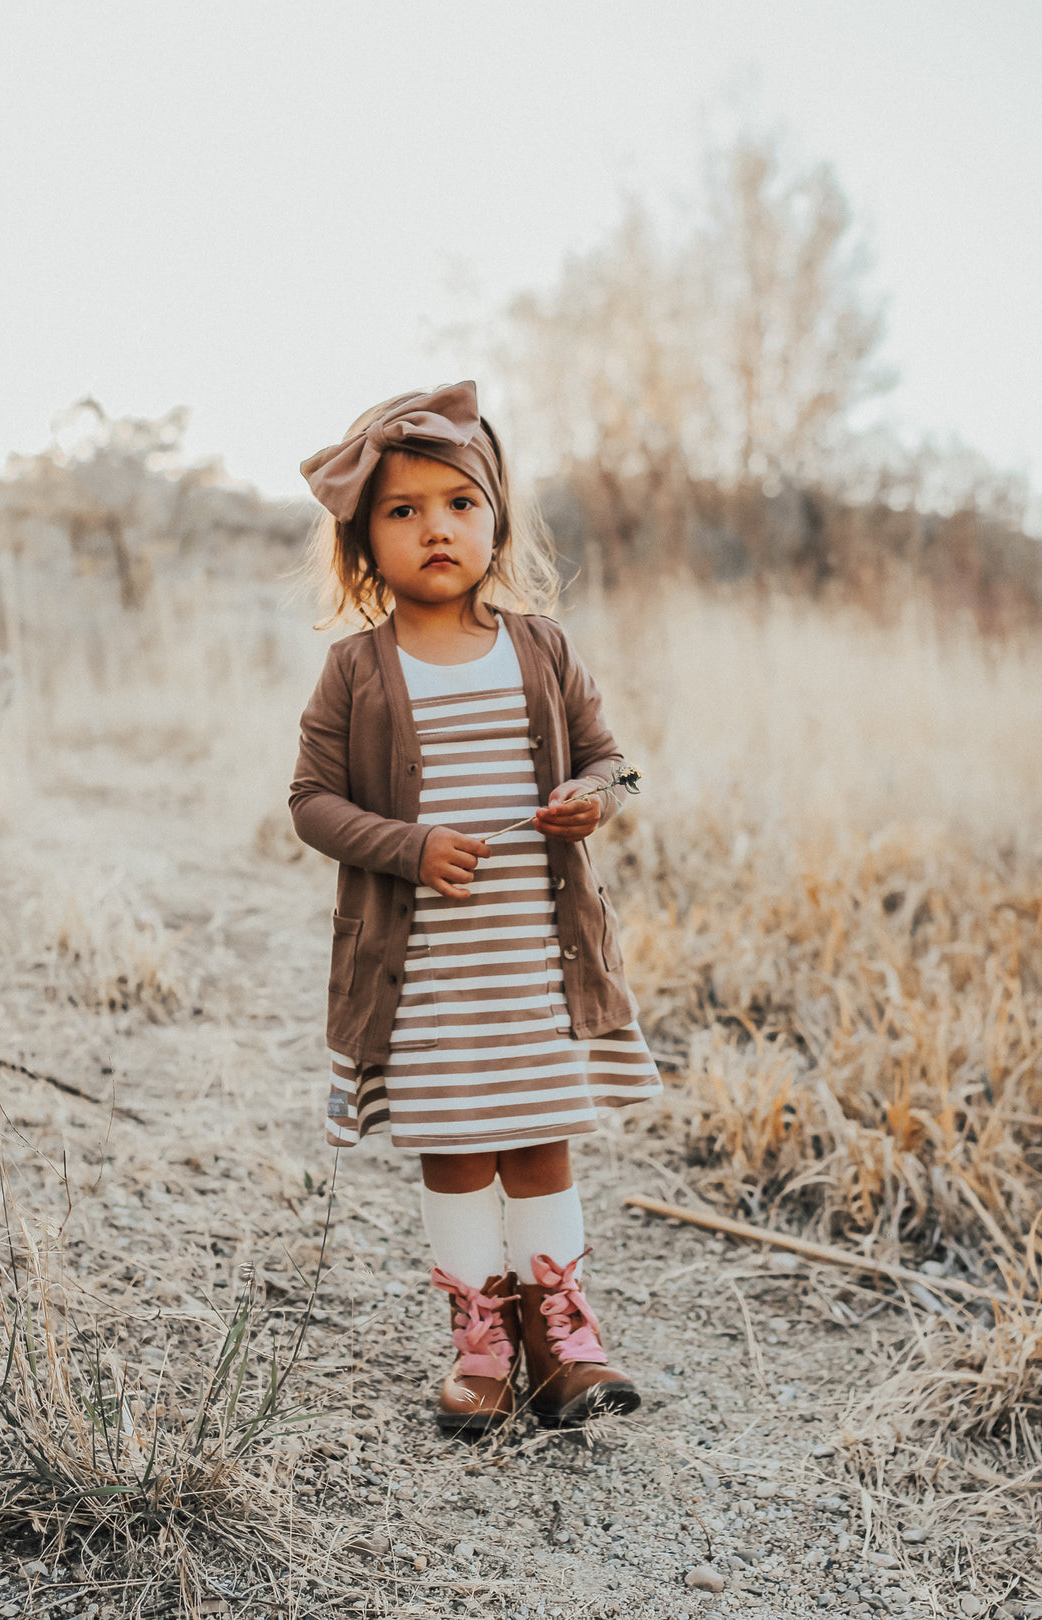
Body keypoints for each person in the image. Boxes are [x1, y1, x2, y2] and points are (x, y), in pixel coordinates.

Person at [290, 381, 662, 1432]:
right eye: (401, 511)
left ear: (495, 521)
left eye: (458, 503)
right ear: (365, 547)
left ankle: (562, 1335)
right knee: (456, 1149)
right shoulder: (355, 671)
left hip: (536, 964)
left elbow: (621, 767)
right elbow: (310, 802)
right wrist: (405, 848)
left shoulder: (541, 647)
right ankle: (481, 1341)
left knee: (541, 1140)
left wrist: (592, 799)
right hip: (428, 979)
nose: (434, 527)